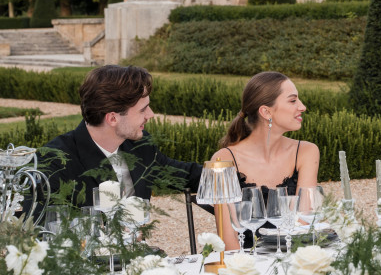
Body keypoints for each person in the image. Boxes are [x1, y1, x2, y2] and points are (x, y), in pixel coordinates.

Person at [41, 65, 202, 207]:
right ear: (112, 118)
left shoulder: (140, 146)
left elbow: (185, 176)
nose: (151, 114)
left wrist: (216, 168)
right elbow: (46, 226)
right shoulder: (54, 163)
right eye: (142, 109)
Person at [211, 71, 319, 250]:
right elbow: (228, 240)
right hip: (242, 261)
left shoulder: (306, 152)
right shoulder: (224, 159)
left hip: (290, 257)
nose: (303, 107)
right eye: (293, 100)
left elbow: (303, 225)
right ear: (266, 112)